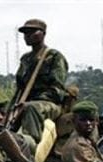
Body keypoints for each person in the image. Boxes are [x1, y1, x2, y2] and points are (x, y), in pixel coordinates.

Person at [11, 19, 68, 150]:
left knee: (32, 108)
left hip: (49, 104)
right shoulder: (25, 59)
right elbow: (19, 89)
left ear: (43, 33)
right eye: (25, 33)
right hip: (25, 103)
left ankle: (30, 147)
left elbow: (57, 90)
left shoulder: (54, 56)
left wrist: (31, 102)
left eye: (32, 32)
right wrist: (11, 109)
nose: (27, 36)